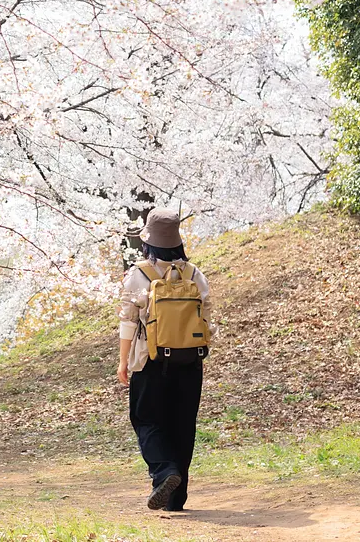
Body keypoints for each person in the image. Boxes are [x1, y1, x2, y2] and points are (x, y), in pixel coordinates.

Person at [117, 207, 213, 512]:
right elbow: (207, 318)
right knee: (182, 424)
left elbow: (128, 321)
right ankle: (176, 498)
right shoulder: (194, 273)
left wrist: (123, 362)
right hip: (190, 361)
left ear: (149, 241)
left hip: (150, 360)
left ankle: (163, 471)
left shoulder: (139, 274)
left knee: (146, 419)